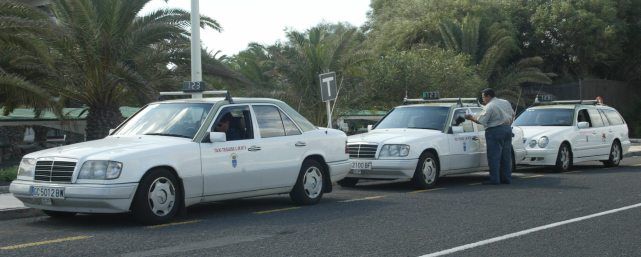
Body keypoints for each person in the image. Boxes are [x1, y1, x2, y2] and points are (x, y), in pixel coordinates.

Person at [465, 88, 515, 185]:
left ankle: (494, 180)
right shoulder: (505, 102)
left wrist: (470, 117)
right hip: (507, 129)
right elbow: (513, 115)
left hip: (495, 131)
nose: (483, 99)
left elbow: (481, 121)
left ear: (488, 96)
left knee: (494, 157)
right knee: (506, 156)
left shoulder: (489, 106)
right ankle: (506, 179)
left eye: (483, 97)